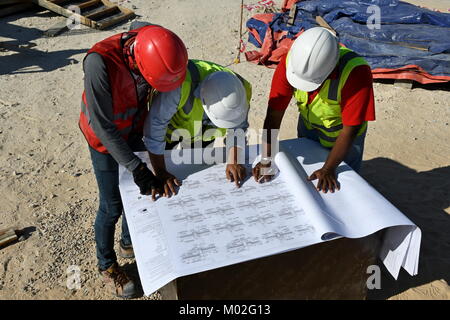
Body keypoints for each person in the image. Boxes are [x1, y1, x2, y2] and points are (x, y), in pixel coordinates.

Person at [79, 24, 188, 298]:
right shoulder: (99, 63)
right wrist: (137, 167)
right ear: (139, 61)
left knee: (139, 195)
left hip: (134, 128)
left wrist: (147, 169)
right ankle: (107, 265)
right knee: (112, 204)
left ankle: (129, 243)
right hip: (104, 139)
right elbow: (103, 125)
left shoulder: (159, 42)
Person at [253, 27, 375, 193]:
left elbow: (350, 130)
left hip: (344, 139)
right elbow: (274, 114)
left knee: (345, 185)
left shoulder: (356, 73)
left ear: (331, 68)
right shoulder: (293, 62)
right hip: (309, 128)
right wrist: (267, 158)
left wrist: (328, 169)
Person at [143, 60, 252, 195]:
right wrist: (160, 172)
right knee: (161, 169)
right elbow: (154, 128)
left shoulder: (240, 90)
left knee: (193, 168)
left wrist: (235, 159)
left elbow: (239, 128)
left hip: (202, 136)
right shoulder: (179, 86)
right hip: (169, 133)